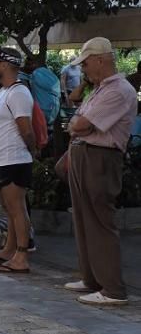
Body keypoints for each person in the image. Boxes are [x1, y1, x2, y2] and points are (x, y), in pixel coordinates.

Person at [63, 38, 137, 306]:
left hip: (101, 158)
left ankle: (112, 289)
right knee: (84, 220)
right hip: (87, 154)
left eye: (85, 63)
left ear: (100, 60)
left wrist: (79, 126)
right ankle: (92, 279)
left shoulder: (118, 90)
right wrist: (79, 127)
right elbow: (79, 123)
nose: (83, 68)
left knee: (99, 221)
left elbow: (81, 123)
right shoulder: (101, 89)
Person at [0, 47, 36, 274]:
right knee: (8, 208)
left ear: (4, 65)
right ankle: (9, 249)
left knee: (17, 208)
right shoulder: (5, 91)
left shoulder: (18, 93)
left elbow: (26, 129)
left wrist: (32, 151)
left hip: (15, 158)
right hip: (3, 158)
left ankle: (21, 256)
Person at [21, 55, 60, 144]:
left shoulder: (37, 74)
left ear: (35, 64)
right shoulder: (48, 74)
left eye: (28, 63)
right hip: (50, 112)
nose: (26, 66)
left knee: (37, 136)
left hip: (43, 111)